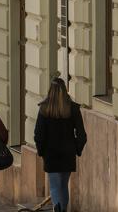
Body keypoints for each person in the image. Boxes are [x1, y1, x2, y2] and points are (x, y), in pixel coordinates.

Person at [34, 78, 87, 212]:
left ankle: (58, 209)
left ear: (50, 91)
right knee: (63, 185)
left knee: (55, 186)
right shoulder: (73, 108)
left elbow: (38, 134)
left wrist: (41, 151)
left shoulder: (44, 109)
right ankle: (62, 209)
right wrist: (76, 149)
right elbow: (82, 135)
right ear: (65, 90)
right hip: (67, 153)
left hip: (51, 154)